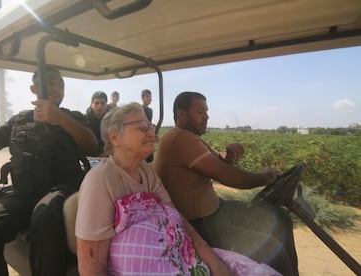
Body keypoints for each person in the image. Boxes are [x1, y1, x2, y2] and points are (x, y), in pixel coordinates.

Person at [75, 102, 280, 275]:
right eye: (142, 127)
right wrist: (263, 177)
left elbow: (177, 220)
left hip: (177, 257)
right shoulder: (100, 181)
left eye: (150, 125)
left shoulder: (146, 172)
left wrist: (215, 263)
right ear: (114, 137)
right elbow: (92, 264)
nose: (151, 132)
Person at [0, 66, 98, 276]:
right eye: (49, 82)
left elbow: (93, 145)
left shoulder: (72, 117)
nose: (56, 87)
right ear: (33, 88)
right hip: (23, 193)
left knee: (45, 217)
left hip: (62, 190)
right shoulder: (19, 120)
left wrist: (59, 118)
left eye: (60, 84)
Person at [153, 91, 299, 276]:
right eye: (200, 111)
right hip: (199, 224)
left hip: (217, 209)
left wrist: (229, 156)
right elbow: (229, 177)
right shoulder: (179, 138)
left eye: (206, 111)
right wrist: (264, 178)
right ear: (181, 114)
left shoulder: (192, 138)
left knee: (281, 216)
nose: (206, 116)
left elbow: (218, 162)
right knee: (275, 249)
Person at [84, 91, 108, 156]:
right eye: (96, 103)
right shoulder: (84, 120)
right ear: (91, 105)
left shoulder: (110, 122)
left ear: (106, 106)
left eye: (102, 103)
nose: (99, 106)